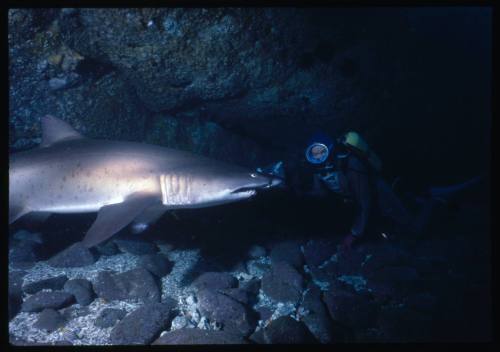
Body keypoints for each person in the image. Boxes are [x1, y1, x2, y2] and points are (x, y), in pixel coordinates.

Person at [296, 131, 415, 252]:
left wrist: (353, 235)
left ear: (330, 150)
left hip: (376, 191)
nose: (319, 157)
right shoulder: (317, 169)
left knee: (404, 221)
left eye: (322, 152)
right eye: (315, 154)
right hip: (352, 197)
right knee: (372, 222)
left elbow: (364, 201)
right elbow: (319, 193)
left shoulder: (352, 164)